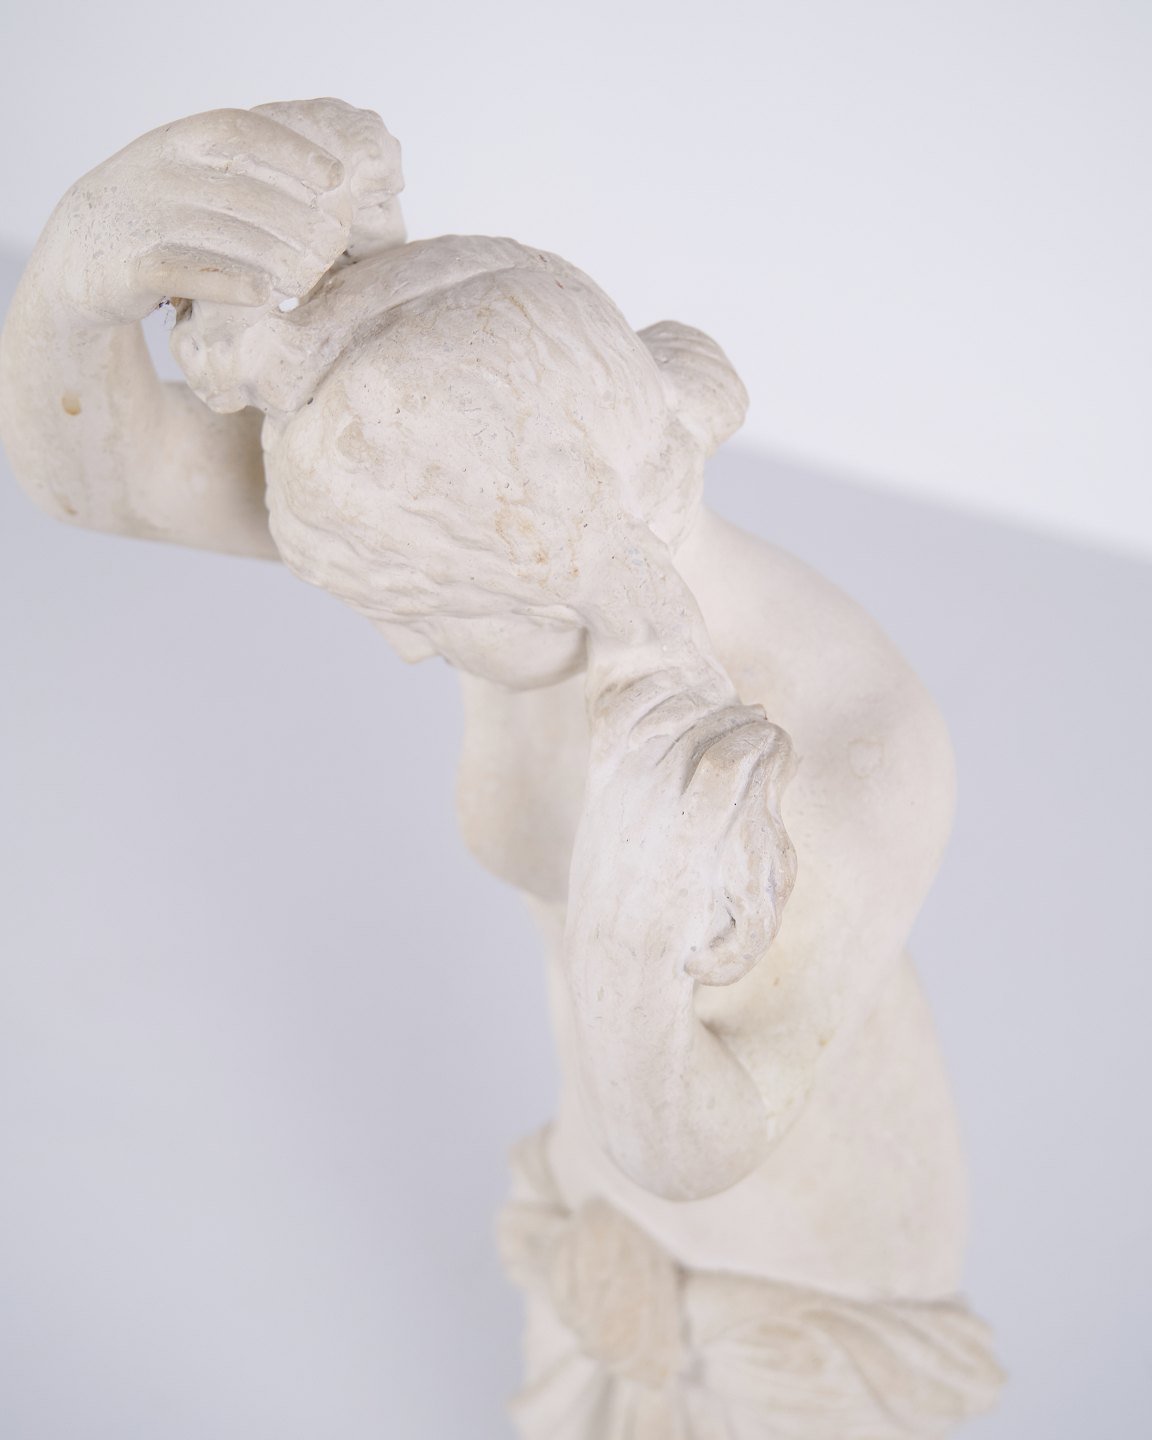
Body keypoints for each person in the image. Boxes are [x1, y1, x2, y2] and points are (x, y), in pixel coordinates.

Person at [0, 98, 1002, 1436]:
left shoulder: (854, 746)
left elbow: (708, 1136)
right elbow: (111, 482)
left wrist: (633, 945)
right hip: (592, 1226)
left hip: (796, 1305)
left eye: (408, 611)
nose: (407, 646)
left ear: (530, 576)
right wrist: (80, 267)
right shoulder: (508, 508)